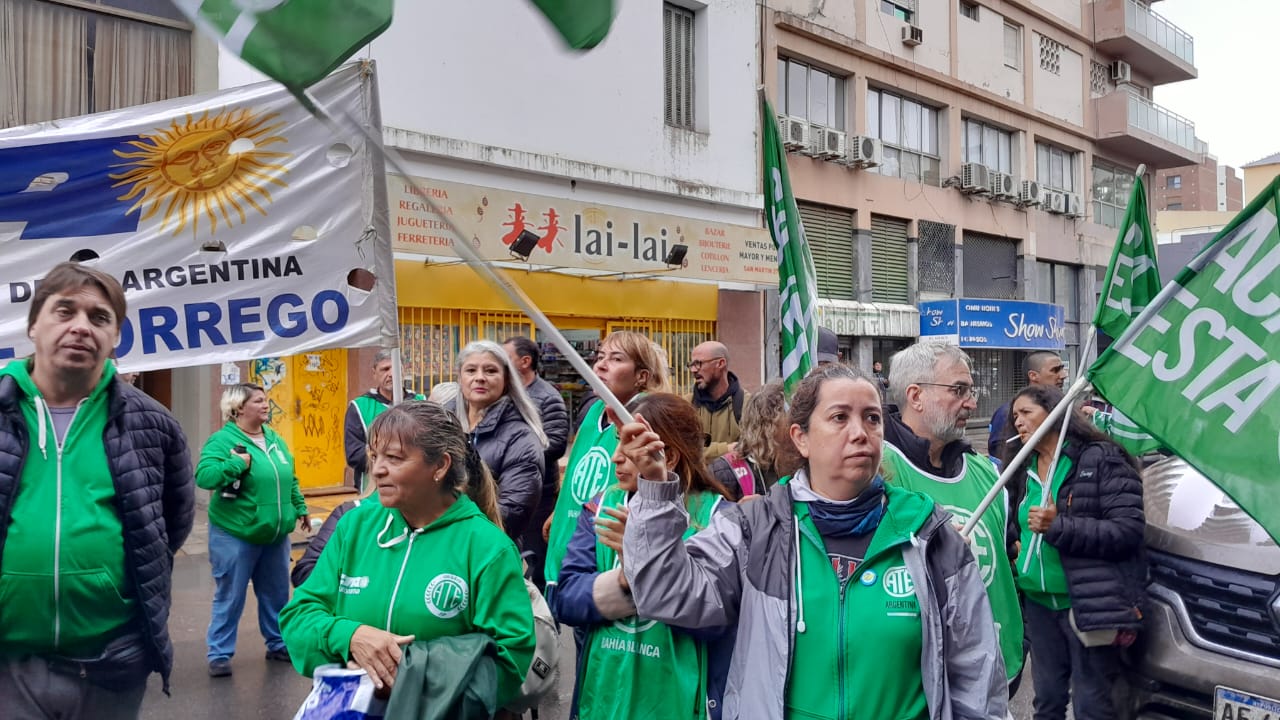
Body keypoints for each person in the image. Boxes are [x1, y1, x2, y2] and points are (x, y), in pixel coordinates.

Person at [619, 365, 1008, 719]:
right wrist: (654, 489)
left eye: (872, 418)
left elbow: (978, 675)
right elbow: (664, 593)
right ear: (800, 438)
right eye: (839, 417)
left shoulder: (930, 535)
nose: (860, 433)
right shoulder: (755, 529)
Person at [0, 262, 194, 718]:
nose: (81, 327)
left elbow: (171, 524)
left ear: (116, 337)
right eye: (64, 311)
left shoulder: (153, 425)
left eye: (99, 317)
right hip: (8, 667)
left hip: (111, 666)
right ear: (33, 325)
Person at [280, 402, 535, 708]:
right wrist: (350, 637)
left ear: (440, 466)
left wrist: (407, 679)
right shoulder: (355, 527)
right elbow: (298, 618)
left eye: (395, 458)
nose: (377, 470)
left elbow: (509, 662)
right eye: (374, 457)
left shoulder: (487, 547)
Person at [551, 393, 736, 719]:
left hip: (677, 702)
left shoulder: (719, 516)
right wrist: (625, 576)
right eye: (617, 443)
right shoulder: (602, 506)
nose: (615, 458)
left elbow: (715, 624)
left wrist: (650, 561)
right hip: (604, 699)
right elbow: (565, 599)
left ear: (669, 457)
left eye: (629, 447)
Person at [882, 342, 1025, 692]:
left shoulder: (987, 473)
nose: (972, 403)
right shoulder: (876, 471)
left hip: (999, 673)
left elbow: (1008, 560)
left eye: (971, 391)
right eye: (958, 390)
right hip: (917, 685)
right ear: (915, 396)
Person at [1003, 385, 1146, 720]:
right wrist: (1013, 547)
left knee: (1091, 704)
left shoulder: (1099, 459)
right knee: (1048, 700)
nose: (1019, 423)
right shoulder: (1020, 468)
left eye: (1027, 413)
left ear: (1054, 412)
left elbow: (1127, 531)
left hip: (1086, 604)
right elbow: (1011, 523)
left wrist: (1059, 528)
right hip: (1038, 605)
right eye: (1015, 417)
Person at [195, 382, 309, 677]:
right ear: (238, 408)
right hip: (235, 534)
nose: (265, 404)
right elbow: (205, 476)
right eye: (259, 401)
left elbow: (290, 477)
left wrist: (300, 507)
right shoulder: (222, 440)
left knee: (277, 594)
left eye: (265, 400)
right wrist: (235, 464)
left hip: (275, 535)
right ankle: (219, 653)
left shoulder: (273, 438)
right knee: (231, 595)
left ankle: (277, 643)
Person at [543, 330, 666, 600]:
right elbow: (578, 468)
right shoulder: (595, 411)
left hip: (602, 558)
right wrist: (561, 509)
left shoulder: (642, 424)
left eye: (616, 358)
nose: (600, 365)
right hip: (568, 549)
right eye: (600, 357)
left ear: (641, 376)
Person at [455, 340, 548, 542]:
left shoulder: (521, 438)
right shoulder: (445, 425)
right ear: (460, 378)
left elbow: (513, 512)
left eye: (490, 371)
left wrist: (451, 525)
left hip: (486, 548)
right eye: (471, 370)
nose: (479, 378)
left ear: (506, 380)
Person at [503, 336, 569, 591]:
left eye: (505, 357)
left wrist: (515, 453)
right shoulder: (507, 393)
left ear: (525, 361)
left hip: (538, 492)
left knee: (536, 558)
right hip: (508, 488)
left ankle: (545, 619)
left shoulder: (547, 396)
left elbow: (556, 444)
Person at [708, 380, 796, 498]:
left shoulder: (802, 468)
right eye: (789, 423)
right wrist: (737, 512)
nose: (798, 432)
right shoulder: (724, 472)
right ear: (767, 427)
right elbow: (704, 515)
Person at [987, 350, 1067, 457]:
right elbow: (999, 455)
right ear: (1033, 375)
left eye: (1062, 369)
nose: (1063, 375)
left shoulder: (1063, 407)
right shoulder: (1006, 413)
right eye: (1055, 370)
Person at [688, 341, 750, 461]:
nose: (693, 370)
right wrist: (726, 449)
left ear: (720, 363)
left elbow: (751, 451)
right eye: (691, 364)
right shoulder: (686, 405)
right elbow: (685, 449)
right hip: (697, 479)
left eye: (698, 363)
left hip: (733, 479)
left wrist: (705, 451)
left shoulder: (747, 404)